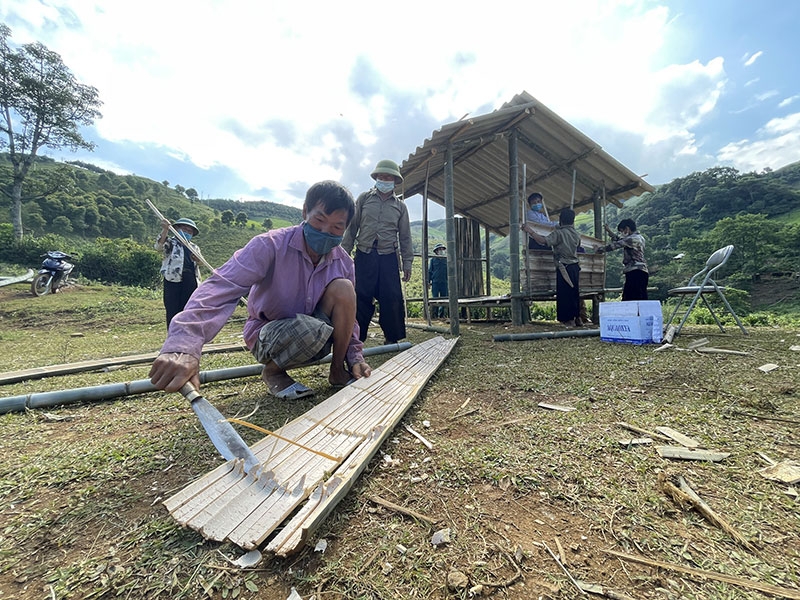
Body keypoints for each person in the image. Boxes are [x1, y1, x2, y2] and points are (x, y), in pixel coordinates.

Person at [149, 180, 371, 400]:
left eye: (336, 227)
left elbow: (349, 318)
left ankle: (337, 372)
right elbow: (222, 286)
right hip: (268, 335)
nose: (325, 231)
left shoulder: (343, 262)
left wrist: (355, 356)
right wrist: (184, 343)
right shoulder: (269, 245)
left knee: (344, 288)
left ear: (346, 228)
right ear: (305, 212)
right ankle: (273, 371)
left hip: (317, 335)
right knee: (311, 329)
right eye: (319, 220)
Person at [342, 159, 413, 344]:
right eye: (381, 176)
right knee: (360, 297)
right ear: (376, 178)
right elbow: (352, 228)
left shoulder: (400, 207)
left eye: (388, 176)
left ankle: (392, 339)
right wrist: (343, 254)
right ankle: (356, 338)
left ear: (395, 181)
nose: (384, 179)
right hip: (364, 255)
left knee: (392, 297)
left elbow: (405, 237)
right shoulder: (364, 199)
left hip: (388, 257)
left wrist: (407, 263)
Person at [522, 208, 582, 327]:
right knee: (574, 292)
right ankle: (577, 318)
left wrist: (530, 231)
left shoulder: (559, 233)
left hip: (564, 266)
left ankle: (569, 320)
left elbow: (543, 241)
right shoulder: (576, 234)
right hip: (575, 266)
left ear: (561, 220)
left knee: (565, 294)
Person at [155, 217, 203, 329]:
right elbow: (158, 247)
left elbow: (201, 262)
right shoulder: (171, 242)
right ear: (176, 229)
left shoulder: (194, 247)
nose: (186, 232)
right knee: (172, 308)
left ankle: (186, 336)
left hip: (190, 279)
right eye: (184, 229)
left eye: (189, 231)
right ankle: (173, 336)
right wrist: (165, 229)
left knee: (188, 309)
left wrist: (197, 259)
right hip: (172, 278)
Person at [596, 219, 649, 301]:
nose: (622, 233)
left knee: (630, 297)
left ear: (627, 229)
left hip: (635, 271)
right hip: (642, 271)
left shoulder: (632, 239)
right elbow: (619, 240)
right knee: (640, 297)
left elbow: (615, 245)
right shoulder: (639, 238)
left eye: (622, 231)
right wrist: (609, 231)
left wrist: (600, 249)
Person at [428, 243, 448, 319]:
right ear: (436, 251)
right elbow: (430, 271)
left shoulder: (446, 259)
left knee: (444, 298)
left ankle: (441, 315)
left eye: (442, 249)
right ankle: (434, 315)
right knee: (435, 298)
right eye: (439, 249)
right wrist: (428, 282)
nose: (441, 251)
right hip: (435, 282)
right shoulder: (433, 260)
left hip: (444, 282)